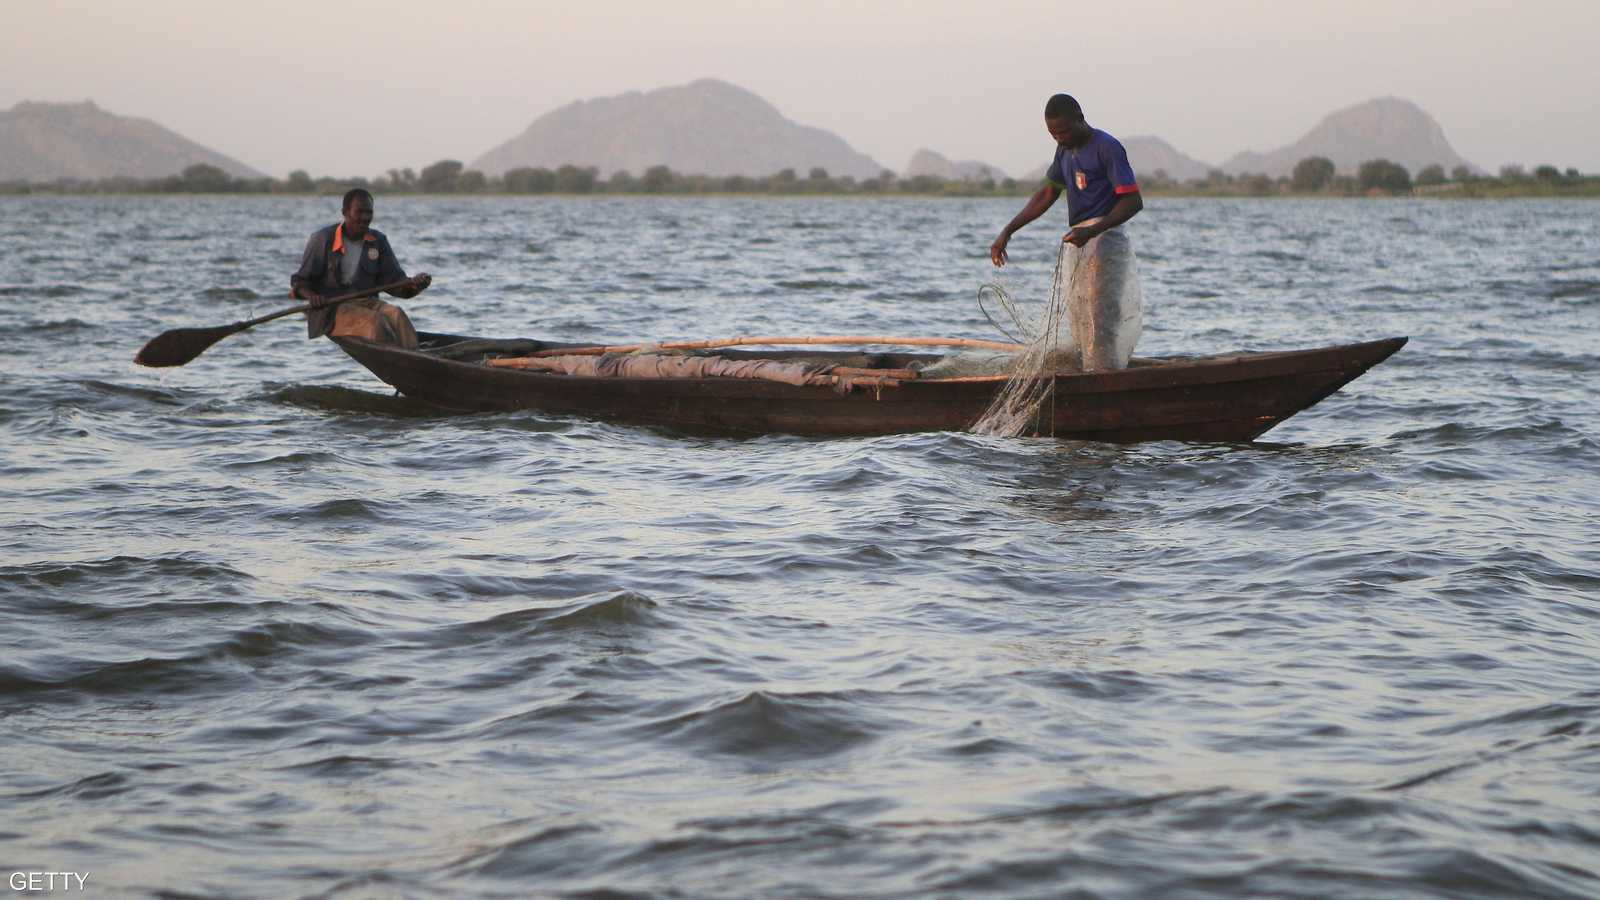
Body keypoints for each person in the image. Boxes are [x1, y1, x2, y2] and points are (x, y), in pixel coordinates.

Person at [990, 93, 1144, 371]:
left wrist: (1095, 230)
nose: (1059, 138)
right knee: (1080, 316)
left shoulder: (1106, 147)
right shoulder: (1064, 150)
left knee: (1100, 314)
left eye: (1064, 131)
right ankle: (1090, 371)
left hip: (1106, 240)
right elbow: (1048, 193)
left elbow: (1133, 201)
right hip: (1080, 239)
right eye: (1053, 134)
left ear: (1080, 119)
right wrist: (1008, 231)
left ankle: (1104, 376)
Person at [290, 188, 431, 349]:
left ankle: (414, 356)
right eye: (359, 212)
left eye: (369, 213)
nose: (365, 218)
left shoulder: (378, 241)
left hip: (368, 303)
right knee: (376, 322)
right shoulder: (322, 239)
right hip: (333, 310)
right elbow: (299, 283)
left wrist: (415, 285)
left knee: (397, 315)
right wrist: (312, 296)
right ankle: (395, 359)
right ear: (345, 212)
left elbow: (395, 284)